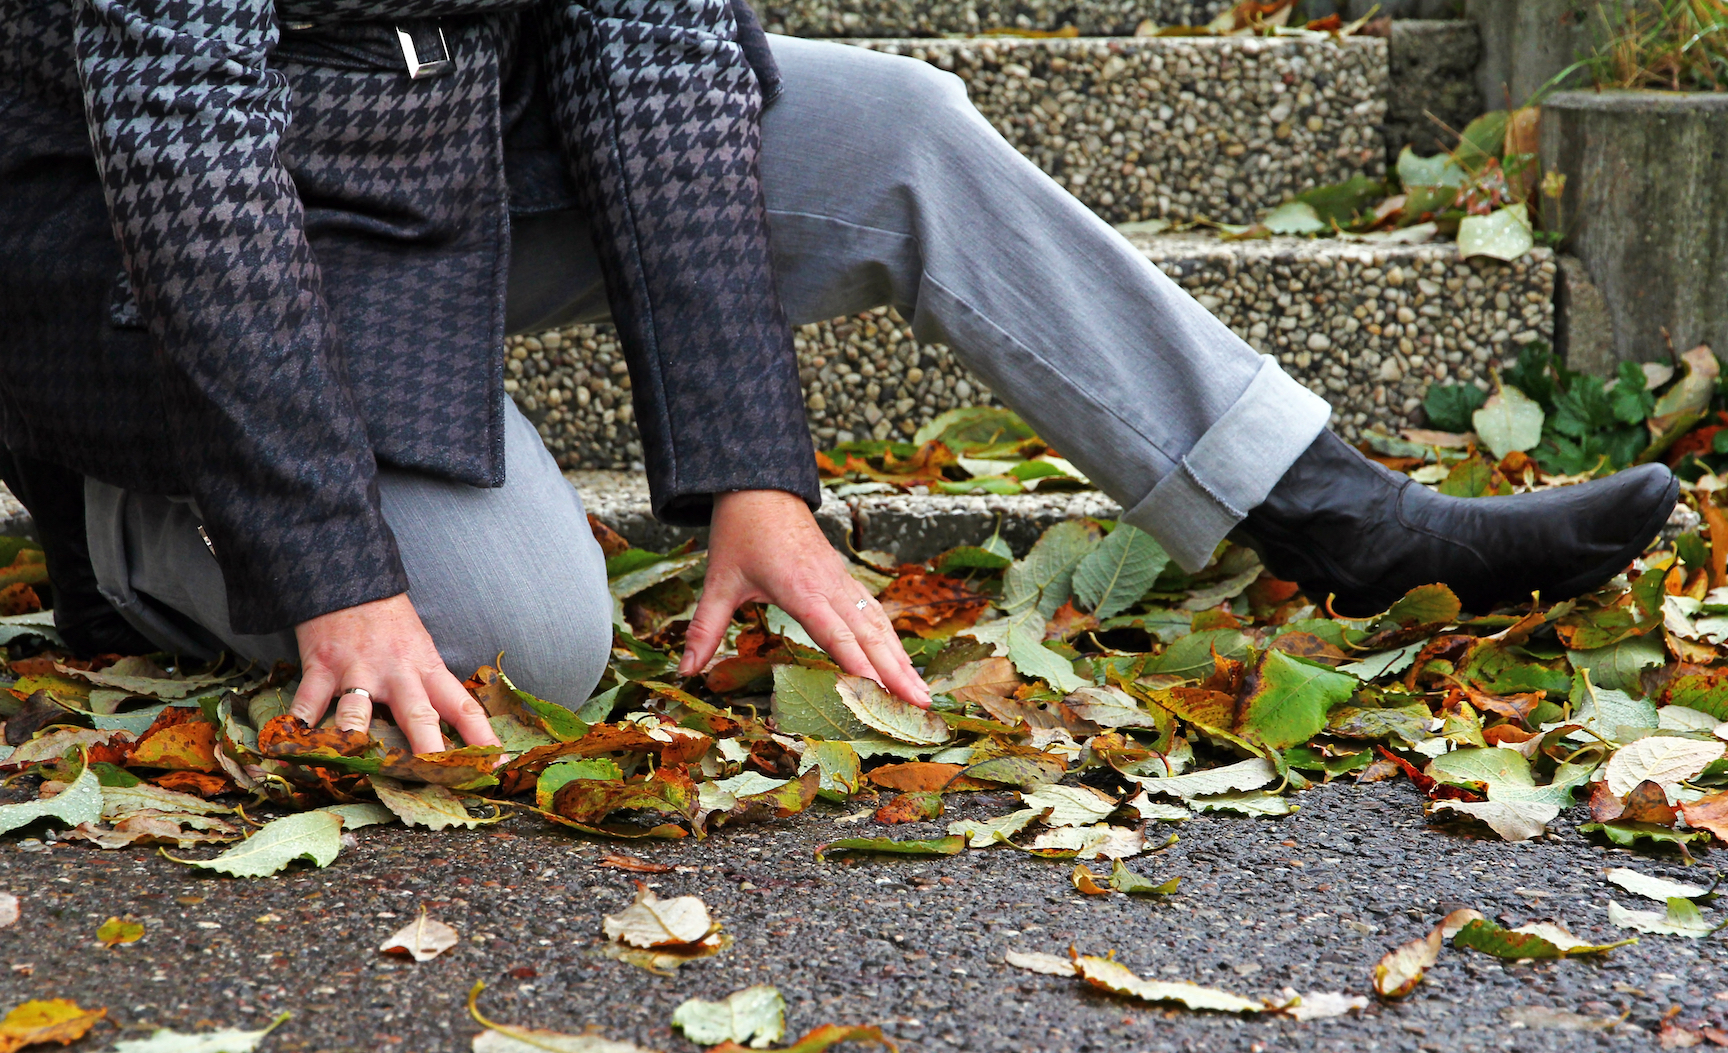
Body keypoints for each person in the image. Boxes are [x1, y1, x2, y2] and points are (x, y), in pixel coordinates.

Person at [0, 0, 1678, 756]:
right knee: (534, 641)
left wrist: (756, 473)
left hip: (448, 141)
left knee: (891, 123)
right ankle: (144, 536)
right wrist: (327, 564)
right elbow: (185, 147)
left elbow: (650, 48)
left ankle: (1335, 513)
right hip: (155, 228)